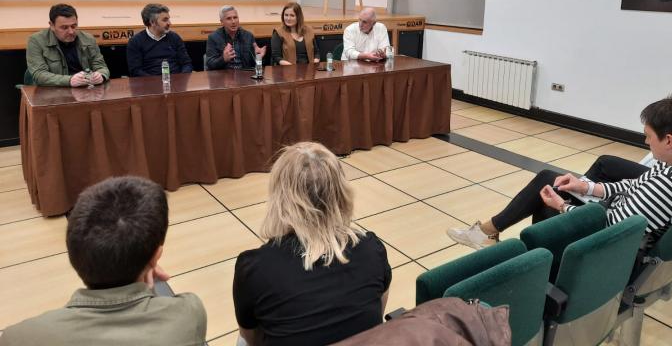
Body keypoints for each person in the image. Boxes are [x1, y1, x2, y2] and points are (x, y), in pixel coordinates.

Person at [447, 95, 672, 249]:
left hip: (616, 247)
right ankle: (489, 233)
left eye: (649, 136)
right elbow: (630, 187)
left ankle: (536, 266)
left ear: (669, 140)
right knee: (551, 180)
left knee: (547, 200)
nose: (646, 142)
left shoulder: (669, 184)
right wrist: (586, 188)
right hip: (625, 223)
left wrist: (563, 207)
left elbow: (608, 227)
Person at [0, 176, 207, 346]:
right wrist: (143, 267)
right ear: (157, 255)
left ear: (74, 254)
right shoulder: (188, 314)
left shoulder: (16, 338)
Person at [233, 142, 391, 346]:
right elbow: (376, 320)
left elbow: (250, 339)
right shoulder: (372, 249)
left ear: (280, 199)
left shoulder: (254, 268)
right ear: (341, 193)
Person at [26, 3, 109, 87]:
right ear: (52, 25)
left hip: (85, 91)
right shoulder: (36, 41)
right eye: (64, 27)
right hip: (53, 93)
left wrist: (101, 75)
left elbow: (101, 67)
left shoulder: (88, 39)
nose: (71, 32)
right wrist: (69, 80)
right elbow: (39, 75)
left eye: (73, 26)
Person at [126, 3, 193, 76]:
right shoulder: (135, 42)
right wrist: (155, 82)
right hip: (149, 84)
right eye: (165, 20)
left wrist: (181, 78)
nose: (169, 23)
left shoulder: (174, 37)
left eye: (169, 19)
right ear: (152, 22)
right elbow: (135, 71)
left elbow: (187, 64)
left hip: (176, 82)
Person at [206, 5, 266, 70]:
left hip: (244, 76)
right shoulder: (214, 37)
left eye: (235, 17)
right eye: (229, 18)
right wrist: (223, 59)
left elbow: (255, 66)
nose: (233, 21)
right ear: (222, 22)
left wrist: (258, 57)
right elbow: (210, 64)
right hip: (224, 77)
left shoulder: (248, 36)